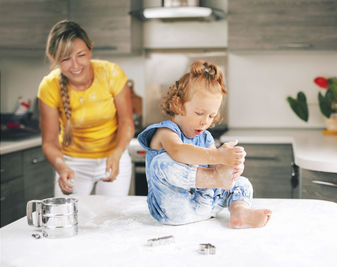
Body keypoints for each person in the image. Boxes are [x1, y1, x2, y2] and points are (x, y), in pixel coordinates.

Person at [138, 60, 272, 228]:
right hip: (174, 209)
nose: (205, 122)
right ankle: (216, 183)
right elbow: (179, 151)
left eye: (211, 116)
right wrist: (217, 160)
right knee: (161, 163)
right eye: (199, 113)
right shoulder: (166, 131)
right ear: (179, 104)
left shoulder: (206, 137)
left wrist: (228, 165)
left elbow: (214, 167)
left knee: (242, 183)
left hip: (206, 206)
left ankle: (239, 213)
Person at [38, 20, 134, 196]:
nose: (75, 65)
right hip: (72, 164)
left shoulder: (111, 73)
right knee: (67, 219)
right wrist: (61, 166)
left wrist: (117, 153)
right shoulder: (49, 86)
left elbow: (127, 121)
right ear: (54, 59)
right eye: (65, 59)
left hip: (113, 157)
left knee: (109, 218)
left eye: (81, 55)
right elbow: (49, 142)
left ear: (90, 49)